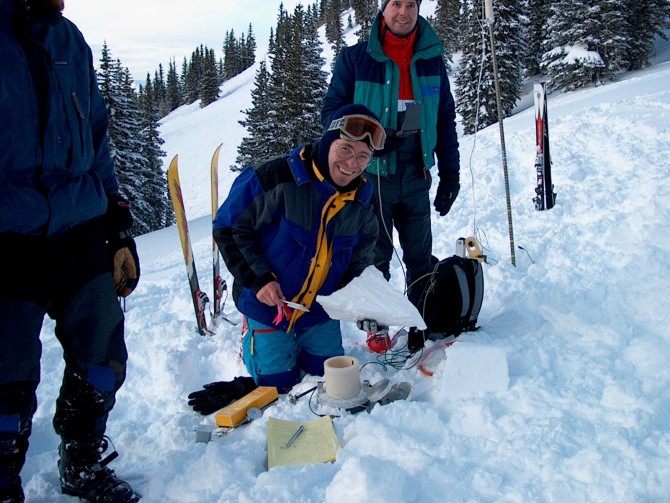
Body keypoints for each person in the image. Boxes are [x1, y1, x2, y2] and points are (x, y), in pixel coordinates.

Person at [0, 1, 140, 501]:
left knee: (102, 356)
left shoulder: (68, 39)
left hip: (79, 224)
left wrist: (116, 220)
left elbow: (96, 132)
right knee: (5, 375)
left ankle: (81, 459)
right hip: (9, 232)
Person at [212, 104, 385, 394]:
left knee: (329, 375)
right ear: (329, 141)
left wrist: (360, 299)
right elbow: (227, 228)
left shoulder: (362, 201)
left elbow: (361, 258)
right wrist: (259, 280)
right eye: (345, 150)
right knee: (278, 384)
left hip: (318, 310)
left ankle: (301, 338)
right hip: (268, 305)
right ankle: (250, 334)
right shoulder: (275, 176)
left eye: (363, 156)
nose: (352, 164)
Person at [321, 0, 461, 353]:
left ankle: (420, 318)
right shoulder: (355, 59)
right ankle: (377, 325)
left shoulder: (431, 58)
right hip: (371, 177)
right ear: (382, 10)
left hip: (416, 172)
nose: (403, 12)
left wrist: (450, 174)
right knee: (374, 256)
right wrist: (364, 135)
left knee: (419, 254)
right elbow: (330, 116)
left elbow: (444, 119)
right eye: (395, 3)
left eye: (410, 4)